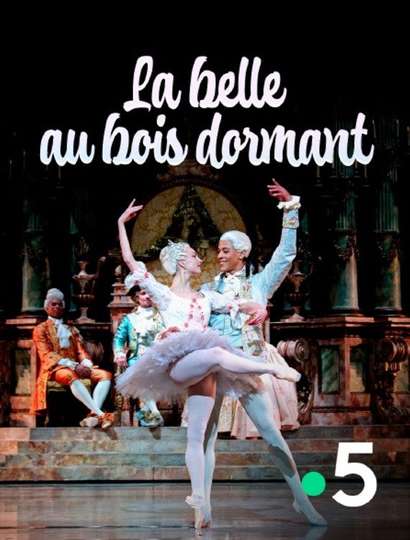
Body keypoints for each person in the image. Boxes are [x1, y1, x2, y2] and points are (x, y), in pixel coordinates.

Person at [116, 201, 286, 531]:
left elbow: (239, 303)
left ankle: (200, 504)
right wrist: (122, 223)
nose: (201, 259)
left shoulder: (206, 297)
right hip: (179, 361)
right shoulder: (164, 294)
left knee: (196, 437)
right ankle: (269, 369)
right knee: (217, 354)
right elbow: (130, 260)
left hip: (202, 368)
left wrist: (259, 309)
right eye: (195, 255)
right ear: (182, 260)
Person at [199, 179, 326, 527]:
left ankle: (301, 500)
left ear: (242, 253)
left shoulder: (259, 283)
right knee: (206, 437)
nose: (219, 255)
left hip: (248, 365)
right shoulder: (207, 289)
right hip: (216, 367)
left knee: (272, 435)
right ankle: (203, 505)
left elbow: (285, 256)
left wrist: (290, 209)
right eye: (218, 250)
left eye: (225, 250)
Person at [31, 288, 114, 429]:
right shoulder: (40, 329)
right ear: (46, 307)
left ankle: (93, 416)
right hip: (54, 369)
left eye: (60, 304)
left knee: (105, 375)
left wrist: (86, 363)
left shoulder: (71, 329)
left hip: (76, 367)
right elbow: (47, 354)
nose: (57, 307)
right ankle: (101, 414)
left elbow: (80, 351)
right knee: (70, 375)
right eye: (53, 304)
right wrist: (74, 366)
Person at [113, 285, 164, 427]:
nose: (147, 296)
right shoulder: (130, 319)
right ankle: (154, 413)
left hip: (158, 359)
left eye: (150, 293)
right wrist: (119, 353)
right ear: (137, 297)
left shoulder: (162, 316)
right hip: (136, 360)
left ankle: (147, 414)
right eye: (143, 293)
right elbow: (119, 339)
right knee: (141, 374)